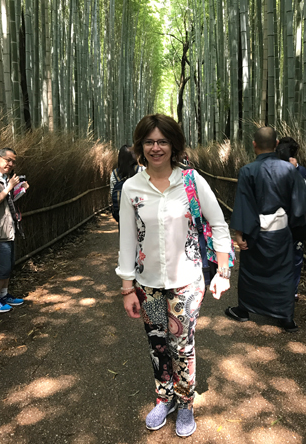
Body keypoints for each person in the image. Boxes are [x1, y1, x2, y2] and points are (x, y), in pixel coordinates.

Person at [115, 114, 232, 437]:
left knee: (182, 345)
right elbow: (127, 239)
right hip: (148, 285)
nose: (156, 148)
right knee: (157, 344)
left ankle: (185, 403)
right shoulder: (131, 188)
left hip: (186, 282)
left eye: (162, 141)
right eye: (149, 142)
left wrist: (223, 271)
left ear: (174, 145)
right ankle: (162, 397)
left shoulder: (192, 182)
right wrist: (127, 289)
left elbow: (219, 225)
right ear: (140, 146)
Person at [225, 127, 306, 332]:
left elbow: (243, 203)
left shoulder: (247, 170)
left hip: (254, 231)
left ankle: (244, 310)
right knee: (284, 273)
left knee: (250, 272)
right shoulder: (290, 170)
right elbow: (300, 203)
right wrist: (293, 226)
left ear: (254, 145)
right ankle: (286, 318)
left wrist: (238, 233)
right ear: (277, 143)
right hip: (282, 231)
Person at [0, 148, 29, 313]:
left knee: (8, 265)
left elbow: (7, 199)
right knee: (1, 267)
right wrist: (10, 186)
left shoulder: (4, 177)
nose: (10, 164)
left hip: (7, 227)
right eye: (7, 160)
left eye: (13, 161)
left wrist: (20, 189)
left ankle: (4, 295)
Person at [276, 137, 306, 301]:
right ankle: (289, 290)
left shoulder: (300, 171)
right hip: (293, 223)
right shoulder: (298, 170)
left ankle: (288, 290)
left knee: (291, 257)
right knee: (293, 258)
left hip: (283, 223)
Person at [110, 145, 144, 223]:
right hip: (139, 212)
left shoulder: (114, 173)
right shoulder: (141, 170)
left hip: (122, 214)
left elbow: (112, 192)